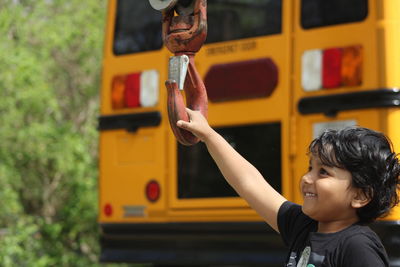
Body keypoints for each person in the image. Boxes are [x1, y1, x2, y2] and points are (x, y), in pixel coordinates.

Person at [177, 108, 400, 267]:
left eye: (323, 172)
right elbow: (249, 182)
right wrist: (208, 134)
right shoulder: (303, 226)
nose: (307, 179)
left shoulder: (358, 247)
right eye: (310, 167)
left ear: (361, 195)